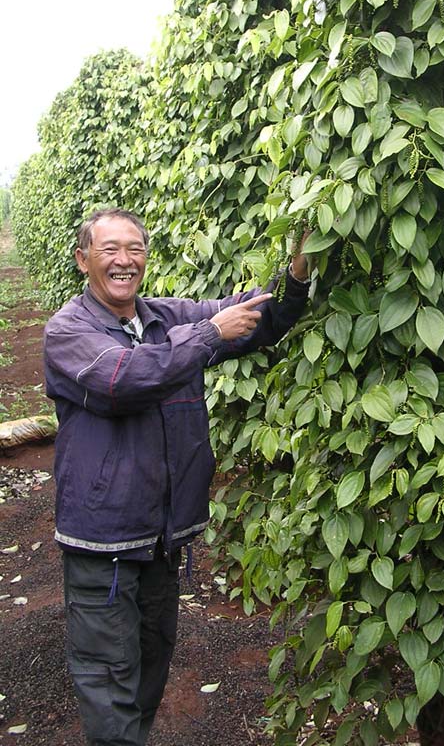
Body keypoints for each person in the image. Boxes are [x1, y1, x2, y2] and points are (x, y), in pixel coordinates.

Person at [43, 207, 311, 746]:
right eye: (109, 249)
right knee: (108, 679)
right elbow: (124, 378)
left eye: (135, 248)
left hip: (161, 542)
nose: (124, 260)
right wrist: (208, 335)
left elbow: (257, 316)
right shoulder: (67, 331)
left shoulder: (164, 317)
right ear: (82, 260)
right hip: (105, 546)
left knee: (147, 673)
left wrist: (300, 269)